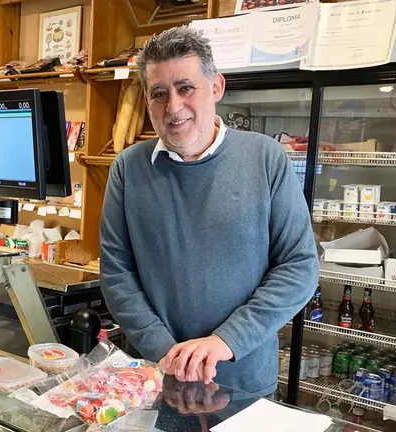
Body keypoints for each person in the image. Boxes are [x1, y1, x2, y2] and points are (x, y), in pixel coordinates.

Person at [100, 26, 318, 397]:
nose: (173, 107)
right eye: (159, 93)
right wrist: (165, 351)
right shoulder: (128, 168)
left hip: (243, 381)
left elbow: (299, 267)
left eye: (186, 88)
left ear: (216, 87)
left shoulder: (266, 158)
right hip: (154, 378)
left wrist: (225, 341)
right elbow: (116, 272)